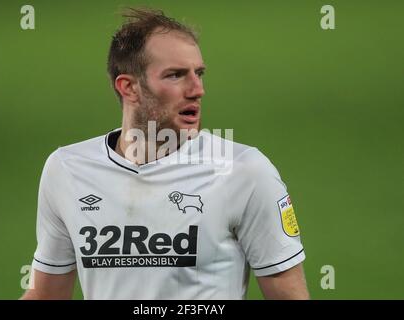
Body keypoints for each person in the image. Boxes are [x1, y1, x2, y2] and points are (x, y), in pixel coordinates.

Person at [21, 7, 309, 300]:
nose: (197, 90)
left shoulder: (244, 172)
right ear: (129, 87)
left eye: (199, 73)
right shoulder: (67, 169)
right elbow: (46, 295)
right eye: (176, 75)